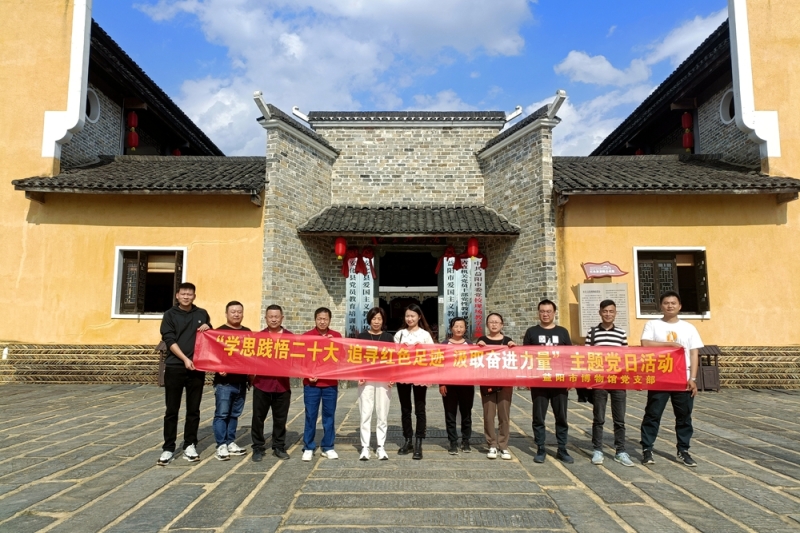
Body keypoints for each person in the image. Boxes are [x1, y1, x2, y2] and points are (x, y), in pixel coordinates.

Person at [640, 291, 703, 467]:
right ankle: (647, 448)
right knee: (653, 414)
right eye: (666, 303)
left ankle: (683, 450)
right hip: (660, 377)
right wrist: (670, 344)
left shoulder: (689, 328)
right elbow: (645, 343)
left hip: (683, 378)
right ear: (661, 306)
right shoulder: (653, 324)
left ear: (679, 306)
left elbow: (694, 353)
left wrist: (693, 378)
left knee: (684, 416)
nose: (670, 306)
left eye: (673, 303)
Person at [157, 282, 211, 466]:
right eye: (183, 294)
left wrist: (207, 327)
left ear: (194, 296)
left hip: (197, 368)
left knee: (193, 410)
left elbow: (209, 336)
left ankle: (190, 444)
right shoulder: (170, 315)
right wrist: (185, 359)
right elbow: (169, 339)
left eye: (190, 294)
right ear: (177, 295)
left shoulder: (201, 313)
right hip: (175, 367)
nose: (186, 297)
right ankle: (168, 448)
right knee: (172, 410)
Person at [523, 299, 574, 464]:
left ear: (554, 313)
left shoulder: (562, 332)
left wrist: (570, 377)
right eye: (542, 311)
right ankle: (540, 448)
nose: (545, 314)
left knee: (561, 416)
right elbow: (526, 357)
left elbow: (569, 357)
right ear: (538, 313)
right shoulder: (531, 332)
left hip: (559, 381)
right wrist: (528, 377)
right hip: (539, 381)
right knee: (538, 417)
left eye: (548, 311)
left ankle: (562, 448)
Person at [585, 299, 633, 467]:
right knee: (598, 418)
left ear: (615, 313)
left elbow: (626, 357)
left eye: (611, 311)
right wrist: (589, 380)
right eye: (605, 311)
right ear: (600, 312)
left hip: (618, 381)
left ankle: (621, 451)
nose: (608, 314)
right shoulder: (592, 333)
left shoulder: (621, 333)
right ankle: (597, 449)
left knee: (619, 419)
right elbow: (587, 357)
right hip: (600, 381)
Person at [251, 305, 293, 462]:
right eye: (270, 316)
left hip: (282, 385)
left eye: (276, 316)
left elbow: (300, 358)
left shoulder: (290, 337)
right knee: (258, 418)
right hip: (262, 384)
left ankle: (279, 446)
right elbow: (250, 359)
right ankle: (257, 447)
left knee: (280, 418)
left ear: (282, 318)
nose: (273, 319)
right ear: (266, 318)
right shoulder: (258, 337)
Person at [301, 307, 342, 462]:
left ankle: (328, 446)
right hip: (311, 384)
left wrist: (333, 343)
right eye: (319, 318)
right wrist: (307, 374)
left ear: (330, 320)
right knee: (310, 415)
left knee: (329, 415)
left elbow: (342, 358)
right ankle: (308, 447)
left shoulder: (336, 336)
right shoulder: (307, 337)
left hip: (330, 384)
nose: (322, 321)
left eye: (325, 319)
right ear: (315, 319)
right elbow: (301, 359)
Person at [394, 304, 434, 460]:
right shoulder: (400, 334)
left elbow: (432, 354)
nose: (409, 319)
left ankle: (419, 442)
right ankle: (408, 440)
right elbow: (393, 355)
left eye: (412, 316)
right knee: (405, 408)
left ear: (419, 317)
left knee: (420, 408)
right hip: (403, 374)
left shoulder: (425, 335)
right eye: (407, 316)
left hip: (419, 374)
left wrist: (420, 348)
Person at [212, 301, 251, 461]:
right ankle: (221, 444)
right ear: (226, 313)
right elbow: (211, 354)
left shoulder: (247, 333)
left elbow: (251, 356)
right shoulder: (218, 332)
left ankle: (230, 442)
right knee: (222, 414)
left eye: (239, 312)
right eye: (233, 311)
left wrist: (251, 377)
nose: (236, 314)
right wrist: (217, 367)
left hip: (241, 381)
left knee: (234, 414)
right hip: (224, 383)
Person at [476, 313, 516, 460]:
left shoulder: (508, 341)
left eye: (496, 322)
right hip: (487, 381)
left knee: (504, 414)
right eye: (491, 322)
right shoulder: (482, 341)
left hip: (505, 382)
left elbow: (516, 358)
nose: (494, 324)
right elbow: (476, 358)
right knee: (488, 414)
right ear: (487, 325)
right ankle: (492, 444)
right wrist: (478, 348)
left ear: (502, 325)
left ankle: (503, 445)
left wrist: (513, 348)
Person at [356, 307, 394, 461]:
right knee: (365, 412)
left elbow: (393, 358)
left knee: (382, 413)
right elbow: (357, 357)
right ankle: (365, 447)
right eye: (374, 318)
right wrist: (359, 374)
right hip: (366, 379)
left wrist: (392, 376)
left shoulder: (388, 337)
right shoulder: (362, 336)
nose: (376, 321)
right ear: (369, 320)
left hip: (384, 379)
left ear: (383, 321)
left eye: (379, 319)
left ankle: (380, 446)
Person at [439, 317, 475, 455]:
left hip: (466, 384)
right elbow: (440, 365)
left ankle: (466, 440)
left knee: (466, 413)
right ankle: (453, 441)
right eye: (456, 326)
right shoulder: (444, 344)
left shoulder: (470, 345)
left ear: (465, 329)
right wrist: (442, 383)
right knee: (450, 413)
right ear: (451, 328)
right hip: (449, 384)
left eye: (461, 326)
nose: (459, 329)